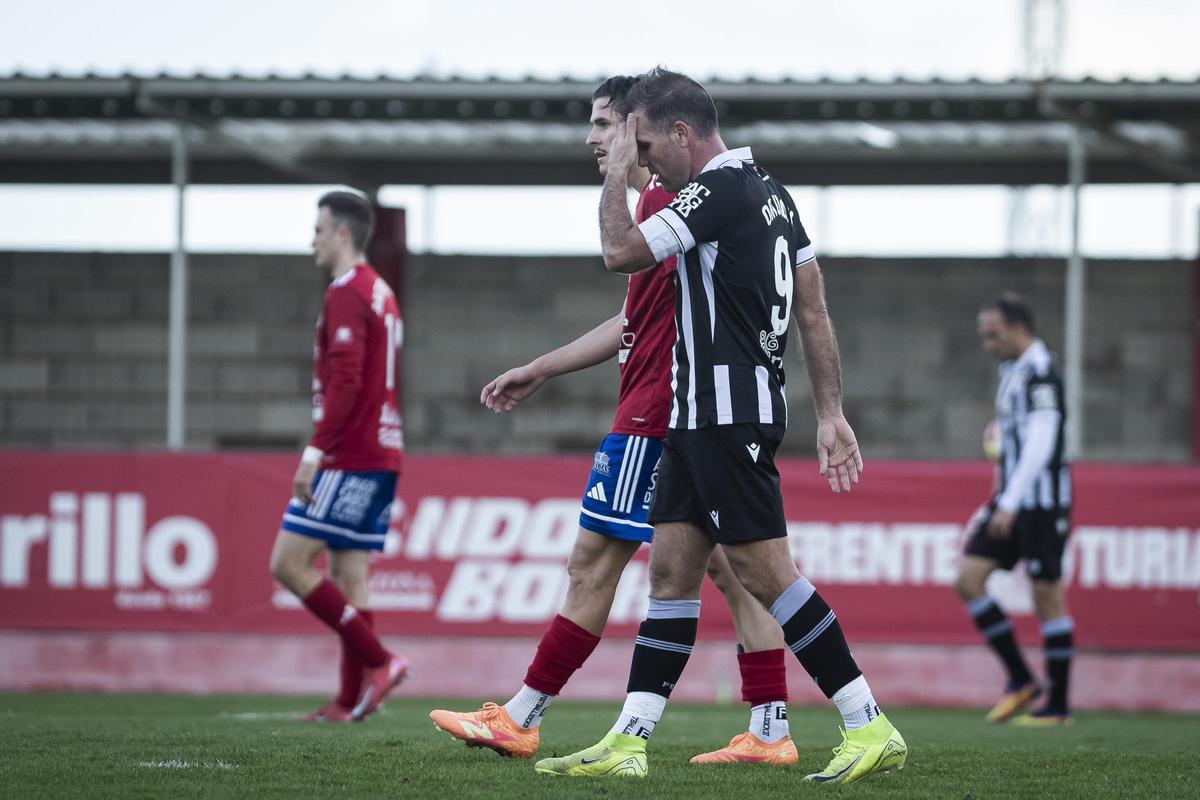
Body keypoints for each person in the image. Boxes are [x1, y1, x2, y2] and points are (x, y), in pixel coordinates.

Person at [533, 68, 906, 784]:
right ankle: (629, 740)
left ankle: (868, 722)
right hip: (699, 414)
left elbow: (620, 254)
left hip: (725, 414)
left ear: (682, 133)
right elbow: (815, 310)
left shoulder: (716, 190)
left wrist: (613, 178)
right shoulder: (771, 192)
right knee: (671, 573)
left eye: (644, 145)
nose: (640, 159)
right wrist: (829, 412)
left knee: (770, 577)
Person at [429, 76, 796, 766]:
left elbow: (630, 289)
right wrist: (545, 365)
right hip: (686, 414)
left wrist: (548, 366)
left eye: (605, 124)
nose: (593, 139)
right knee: (733, 572)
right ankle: (771, 729)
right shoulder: (677, 203)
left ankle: (523, 715)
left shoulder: (663, 202)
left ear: (639, 130)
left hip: (656, 415)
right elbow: (637, 318)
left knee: (592, 564)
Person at [268, 190, 409, 722]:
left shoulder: (346, 291)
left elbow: (346, 383)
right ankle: (352, 699)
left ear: (342, 234)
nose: (313, 240)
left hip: (351, 453)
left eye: (319, 230)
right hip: (384, 450)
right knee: (351, 575)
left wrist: (314, 452)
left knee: (287, 563)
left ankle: (381, 660)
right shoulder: (382, 292)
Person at [954, 293, 1074, 726]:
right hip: (1009, 501)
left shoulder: (1042, 372)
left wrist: (1011, 500)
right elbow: (1014, 439)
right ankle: (1022, 679)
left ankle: (1057, 707)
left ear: (1019, 327)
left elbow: (1043, 440)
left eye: (994, 333)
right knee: (969, 580)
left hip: (1041, 504)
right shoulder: (1011, 371)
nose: (988, 343)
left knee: (1047, 596)